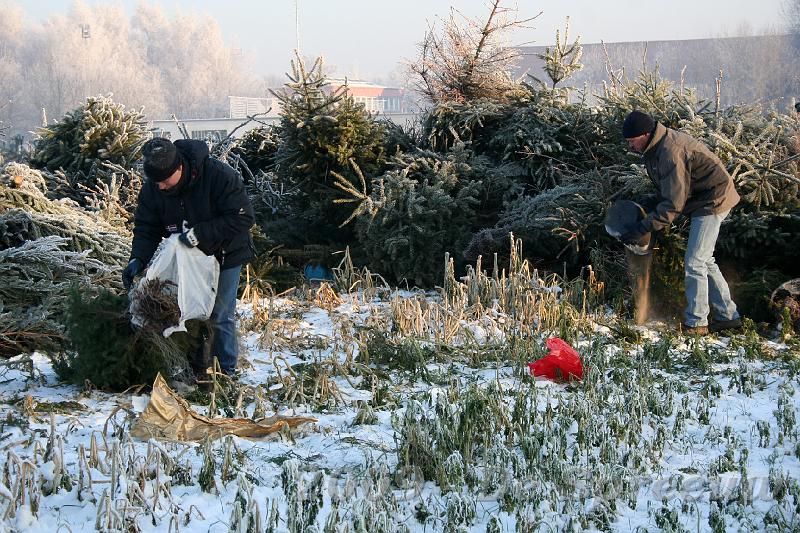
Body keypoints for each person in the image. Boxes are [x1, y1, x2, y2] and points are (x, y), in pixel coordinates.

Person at [122, 137, 255, 375]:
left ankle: (226, 372)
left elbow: (242, 217)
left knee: (219, 315)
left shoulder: (217, 176)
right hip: (188, 260)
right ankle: (196, 367)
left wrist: (199, 234)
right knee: (185, 312)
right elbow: (147, 228)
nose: (160, 186)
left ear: (179, 168)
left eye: (164, 180)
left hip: (225, 253)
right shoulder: (154, 188)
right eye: (156, 182)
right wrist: (138, 259)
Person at [620, 110, 742, 335]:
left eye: (631, 140)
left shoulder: (669, 151)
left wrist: (644, 227)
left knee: (695, 261)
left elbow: (674, 205)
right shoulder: (654, 148)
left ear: (645, 134)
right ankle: (727, 316)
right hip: (701, 199)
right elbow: (670, 189)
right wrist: (647, 204)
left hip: (714, 199)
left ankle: (697, 323)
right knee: (704, 260)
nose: (630, 146)